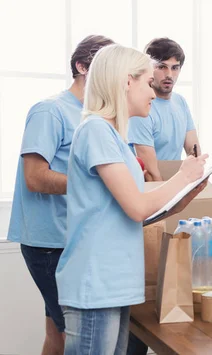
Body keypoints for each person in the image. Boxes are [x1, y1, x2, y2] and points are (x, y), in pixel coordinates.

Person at [55, 44, 208, 354]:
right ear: (127, 81)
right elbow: (137, 207)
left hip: (114, 284)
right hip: (96, 283)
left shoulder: (115, 138)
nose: (154, 92)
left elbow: (130, 212)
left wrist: (182, 197)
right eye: (147, 82)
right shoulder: (96, 130)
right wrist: (183, 176)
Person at [6, 35, 114, 355]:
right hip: (48, 244)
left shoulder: (94, 117)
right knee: (75, 337)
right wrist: (94, 182)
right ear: (81, 67)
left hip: (72, 239)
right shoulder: (50, 111)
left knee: (56, 332)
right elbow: (35, 178)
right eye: (104, 66)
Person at [128, 38, 199, 181]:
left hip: (175, 184)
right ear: (148, 69)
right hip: (148, 190)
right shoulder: (140, 109)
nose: (169, 75)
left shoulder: (180, 102)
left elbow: (194, 151)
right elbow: (151, 174)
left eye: (175, 68)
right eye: (162, 67)